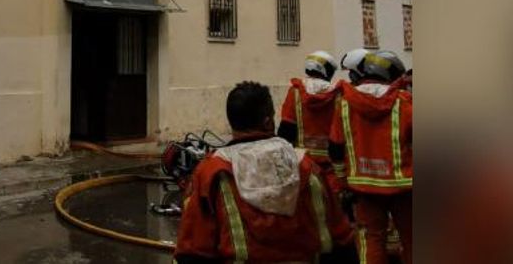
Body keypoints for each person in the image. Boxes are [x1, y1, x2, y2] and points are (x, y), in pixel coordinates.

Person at [175, 81, 355, 263]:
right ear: (268, 121)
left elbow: (192, 249)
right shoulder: (305, 165)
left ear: (231, 122)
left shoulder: (212, 172)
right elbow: (341, 238)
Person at [330, 50, 413, 264]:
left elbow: (336, 147)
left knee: (371, 241)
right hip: (404, 187)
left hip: (363, 187)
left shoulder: (346, 102)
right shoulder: (405, 102)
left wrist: (342, 183)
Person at [278, 50, 343, 177]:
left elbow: (286, 130)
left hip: (303, 165)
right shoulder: (338, 94)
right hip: (332, 166)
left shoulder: (295, 92)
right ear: (326, 70)